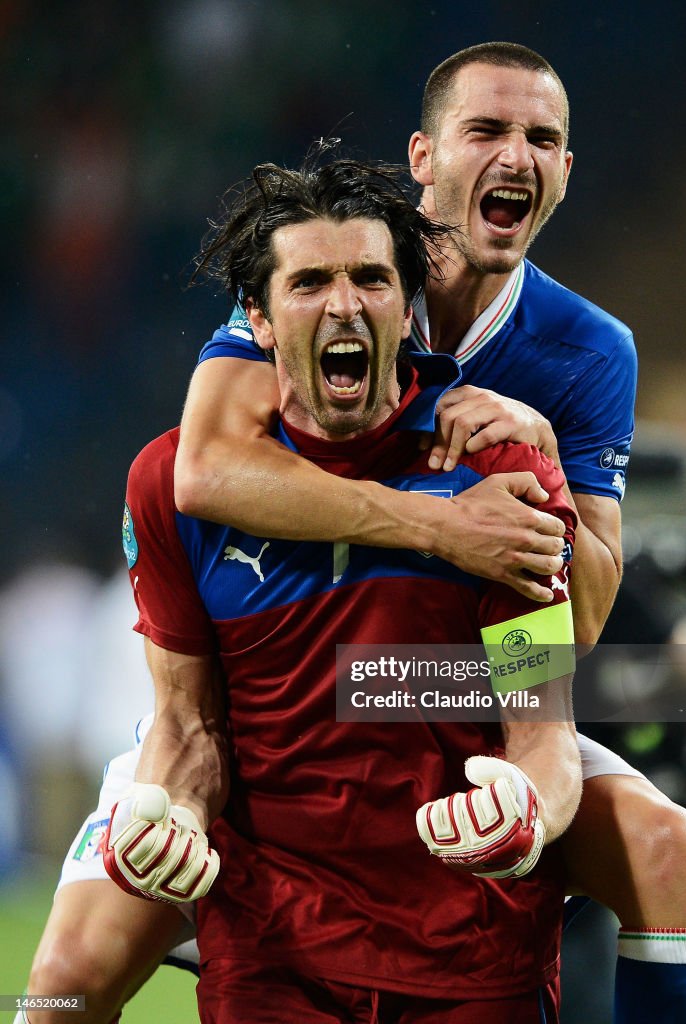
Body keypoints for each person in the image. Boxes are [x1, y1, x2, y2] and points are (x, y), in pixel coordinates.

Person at [22, 42, 686, 1024]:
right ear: (424, 155)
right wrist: (444, 528)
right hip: (262, 708)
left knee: (663, 841)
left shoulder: (583, 353)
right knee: (62, 980)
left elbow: (573, 632)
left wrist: (540, 479)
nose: (516, 156)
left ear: (568, 170)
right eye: (486, 129)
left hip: (449, 690)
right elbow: (204, 470)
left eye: (542, 138)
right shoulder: (306, 268)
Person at [103, 155, 581, 1022]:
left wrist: (528, 813)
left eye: (370, 277)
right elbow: (188, 724)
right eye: (310, 281)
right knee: (60, 980)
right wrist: (167, 812)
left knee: (665, 844)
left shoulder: (503, 478)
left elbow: (541, 724)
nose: (345, 304)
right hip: (270, 958)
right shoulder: (169, 485)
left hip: (472, 959)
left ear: (407, 306)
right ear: (256, 317)